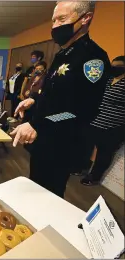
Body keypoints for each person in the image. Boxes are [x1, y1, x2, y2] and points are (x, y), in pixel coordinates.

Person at [11, 1, 110, 198]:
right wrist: (34, 101)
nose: (55, 26)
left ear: (85, 18)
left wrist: (37, 123)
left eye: (62, 19)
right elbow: (56, 95)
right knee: (36, 189)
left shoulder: (92, 59)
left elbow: (81, 111)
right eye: (54, 20)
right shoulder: (63, 54)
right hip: (43, 141)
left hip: (61, 144)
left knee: (49, 195)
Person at [78, 56, 125, 186]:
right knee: (87, 145)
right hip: (96, 120)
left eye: (118, 66)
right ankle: (82, 167)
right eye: (112, 65)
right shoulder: (108, 79)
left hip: (113, 125)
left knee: (104, 152)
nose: (114, 68)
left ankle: (94, 177)